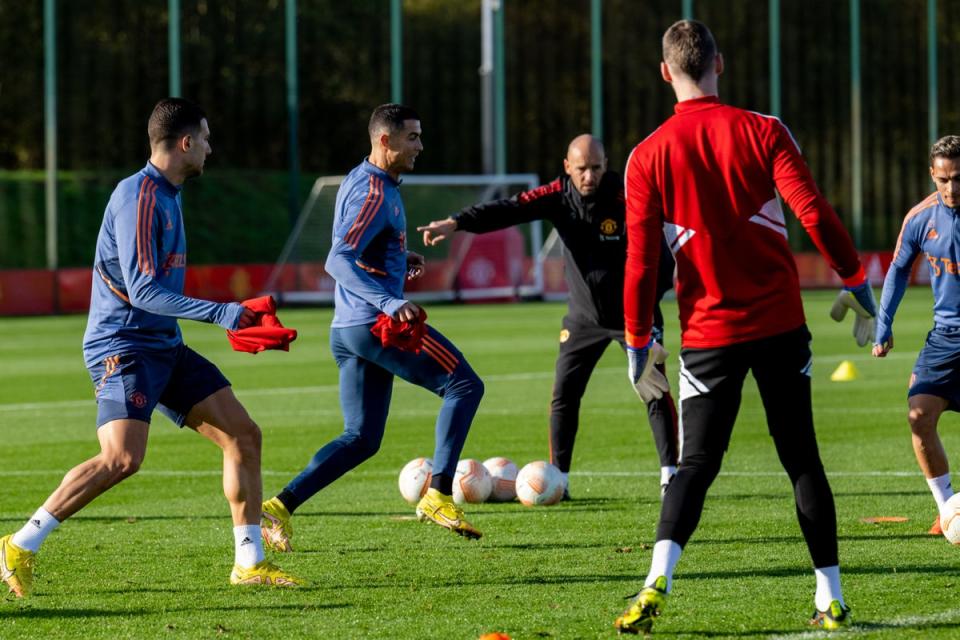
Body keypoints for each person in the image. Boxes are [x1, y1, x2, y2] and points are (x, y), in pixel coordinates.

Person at [614, 20, 876, 634]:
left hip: (708, 335)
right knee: (802, 459)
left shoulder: (647, 154)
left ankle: (657, 581)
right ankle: (830, 597)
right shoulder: (764, 130)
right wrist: (853, 277)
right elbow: (811, 209)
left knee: (695, 464)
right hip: (781, 324)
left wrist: (636, 339)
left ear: (664, 72)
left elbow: (641, 261)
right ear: (719, 64)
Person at [0, 98, 301, 598]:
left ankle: (250, 562)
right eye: (204, 138)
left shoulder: (169, 193)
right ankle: (18, 545)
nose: (209, 147)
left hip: (163, 344)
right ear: (185, 143)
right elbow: (142, 291)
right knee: (121, 459)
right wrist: (223, 312)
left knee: (242, 435)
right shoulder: (138, 196)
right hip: (124, 346)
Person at [259, 104, 486, 552]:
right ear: (386, 141)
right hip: (375, 324)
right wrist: (390, 298)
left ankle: (279, 506)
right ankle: (438, 494)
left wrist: (398, 261)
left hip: (349, 329)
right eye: (413, 138)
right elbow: (336, 258)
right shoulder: (374, 192)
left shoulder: (370, 181)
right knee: (464, 385)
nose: (420, 146)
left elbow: (358, 247)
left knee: (361, 437)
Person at [417, 134, 679, 499]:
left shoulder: (627, 195)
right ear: (567, 167)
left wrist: (652, 301)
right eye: (582, 168)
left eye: (597, 167)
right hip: (583, 318)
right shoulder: (556, 196)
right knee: (564, 395)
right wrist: (456, 222)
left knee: (653, 388)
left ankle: (670, 473)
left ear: (607, 165)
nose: (590, 176)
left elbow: (661, 255)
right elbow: (508, 208)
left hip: (634, 317)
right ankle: (561, 478)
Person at [873, 135, 960, 538]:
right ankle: (948, 513)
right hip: (944, 338)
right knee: (918, 416)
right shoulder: (920, 218)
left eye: (958, 178)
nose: (951, 188)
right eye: (943, 180)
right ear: (932, 175)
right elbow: (897, 270)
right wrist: (883, 322)